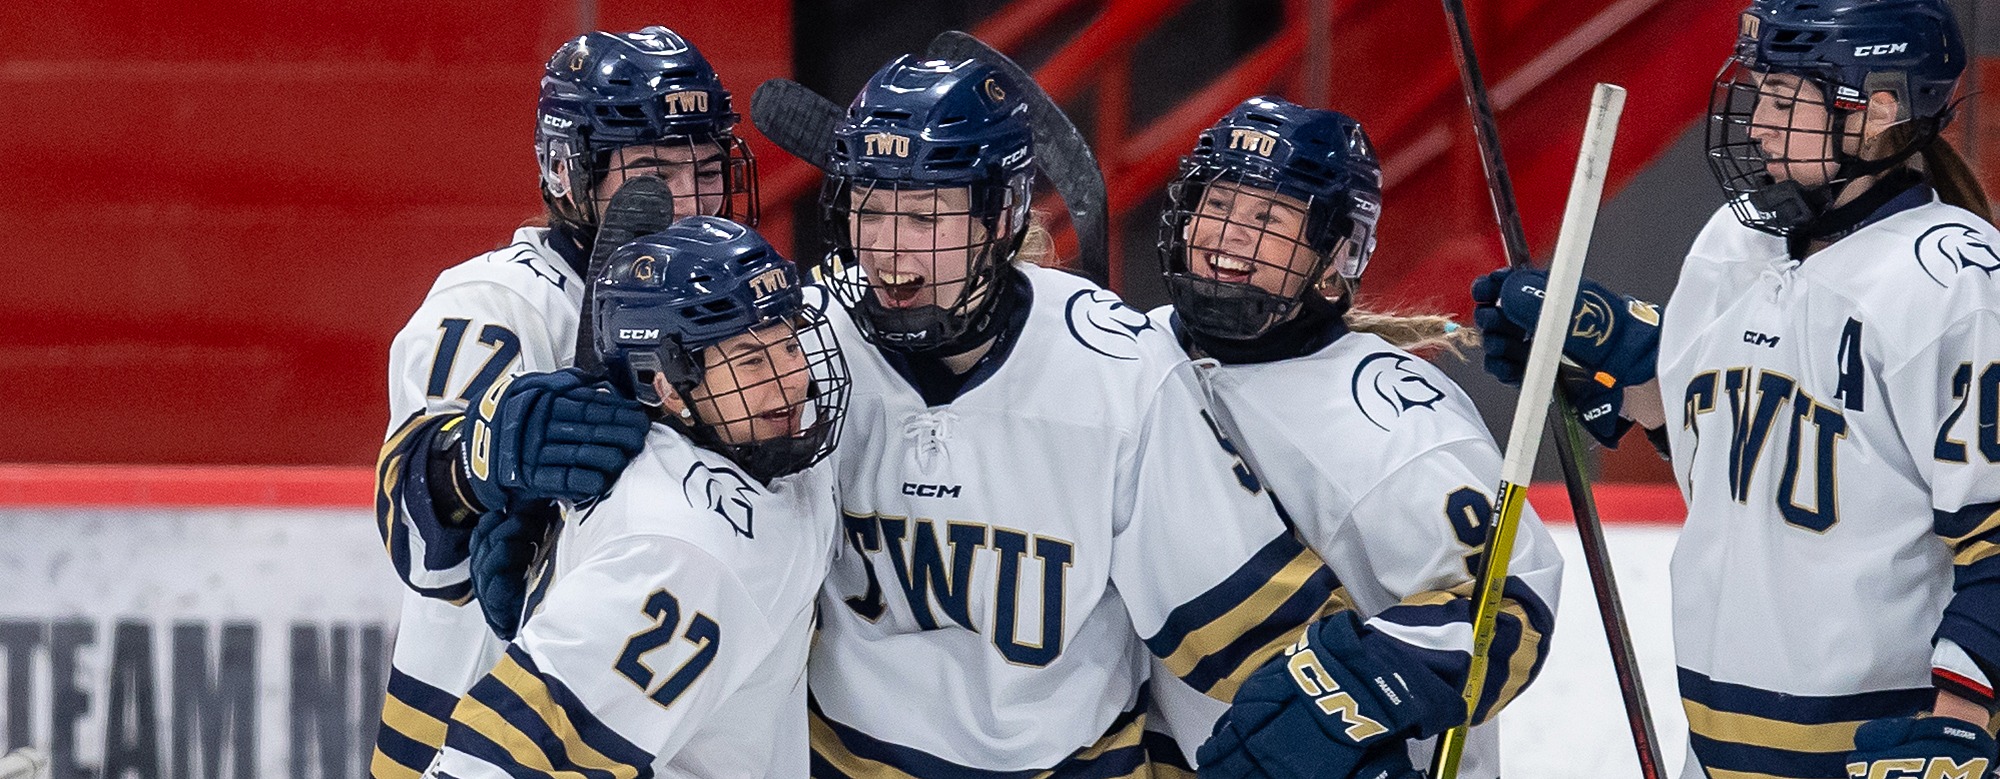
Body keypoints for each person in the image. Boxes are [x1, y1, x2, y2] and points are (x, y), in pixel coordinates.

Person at [1472, 1, 2000, 777]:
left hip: (1884, 754)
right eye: (1761, 93)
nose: (1757, 124)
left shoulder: (1957, 283)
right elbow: (1716, 448)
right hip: (1714, 750)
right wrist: (1598, 379)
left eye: (1787, 101)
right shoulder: (1734, 240)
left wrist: (1957, 726)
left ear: (1879, 112)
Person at [804, 55, 1348, 776]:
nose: (886, 248)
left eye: (924, 215)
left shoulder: (1119, 370)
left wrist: (1343, 719)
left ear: (1000, 217)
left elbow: (1238, 615)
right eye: (869, 210)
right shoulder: (805, 346)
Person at [369, 26, 757, 779]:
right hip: (479, 739)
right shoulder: (499, 303)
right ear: (566, 172)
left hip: (645, 727)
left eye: (705, 168)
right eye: (651, 170)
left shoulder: (738, 309)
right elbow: (415, 530)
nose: (687, 201)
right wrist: (482, 459)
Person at [1143, 96, 1564, 779]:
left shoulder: (1395, 422)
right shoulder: (1138, 354)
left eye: (1267, 218)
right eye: (1217, 204)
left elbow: (1509, 605)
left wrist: (1345, 693)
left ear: (1335, 257)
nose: (1229, 234)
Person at [422, 216, 849, 778]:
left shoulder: (745, 445)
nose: (794, 380)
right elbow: (496, 766)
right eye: (751, 361)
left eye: (790, 344)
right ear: (665, 385)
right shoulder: (682, 551)